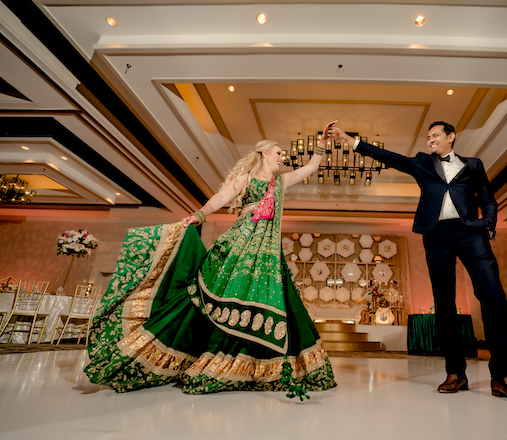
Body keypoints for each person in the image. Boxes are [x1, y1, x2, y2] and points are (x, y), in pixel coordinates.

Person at [85, 121, 338, 398]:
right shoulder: (245, 179)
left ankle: (261, 366)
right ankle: (200, 353)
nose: (282, 158)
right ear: (264, 154)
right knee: (215, 297)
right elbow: (220, 198)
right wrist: (200, 215)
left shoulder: (280, 183)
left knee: (270, 301)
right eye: (278, 153)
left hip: (266, 254)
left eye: (282, 155)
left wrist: (322, 142)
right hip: (239, 246)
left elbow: (311, 167)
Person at [330, 122, 507, 405]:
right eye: (427, 137)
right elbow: (391, 157)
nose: (430, 141)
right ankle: (456, 373)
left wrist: (487, 223)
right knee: (444, 302)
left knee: (494, 297)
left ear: (451, 137)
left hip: (471, 233)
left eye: (435, 135)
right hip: (437, 235)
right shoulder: (423, 163)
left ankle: (503, 378)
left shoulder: (474, 165)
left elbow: (487, 198)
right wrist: (350, 141)